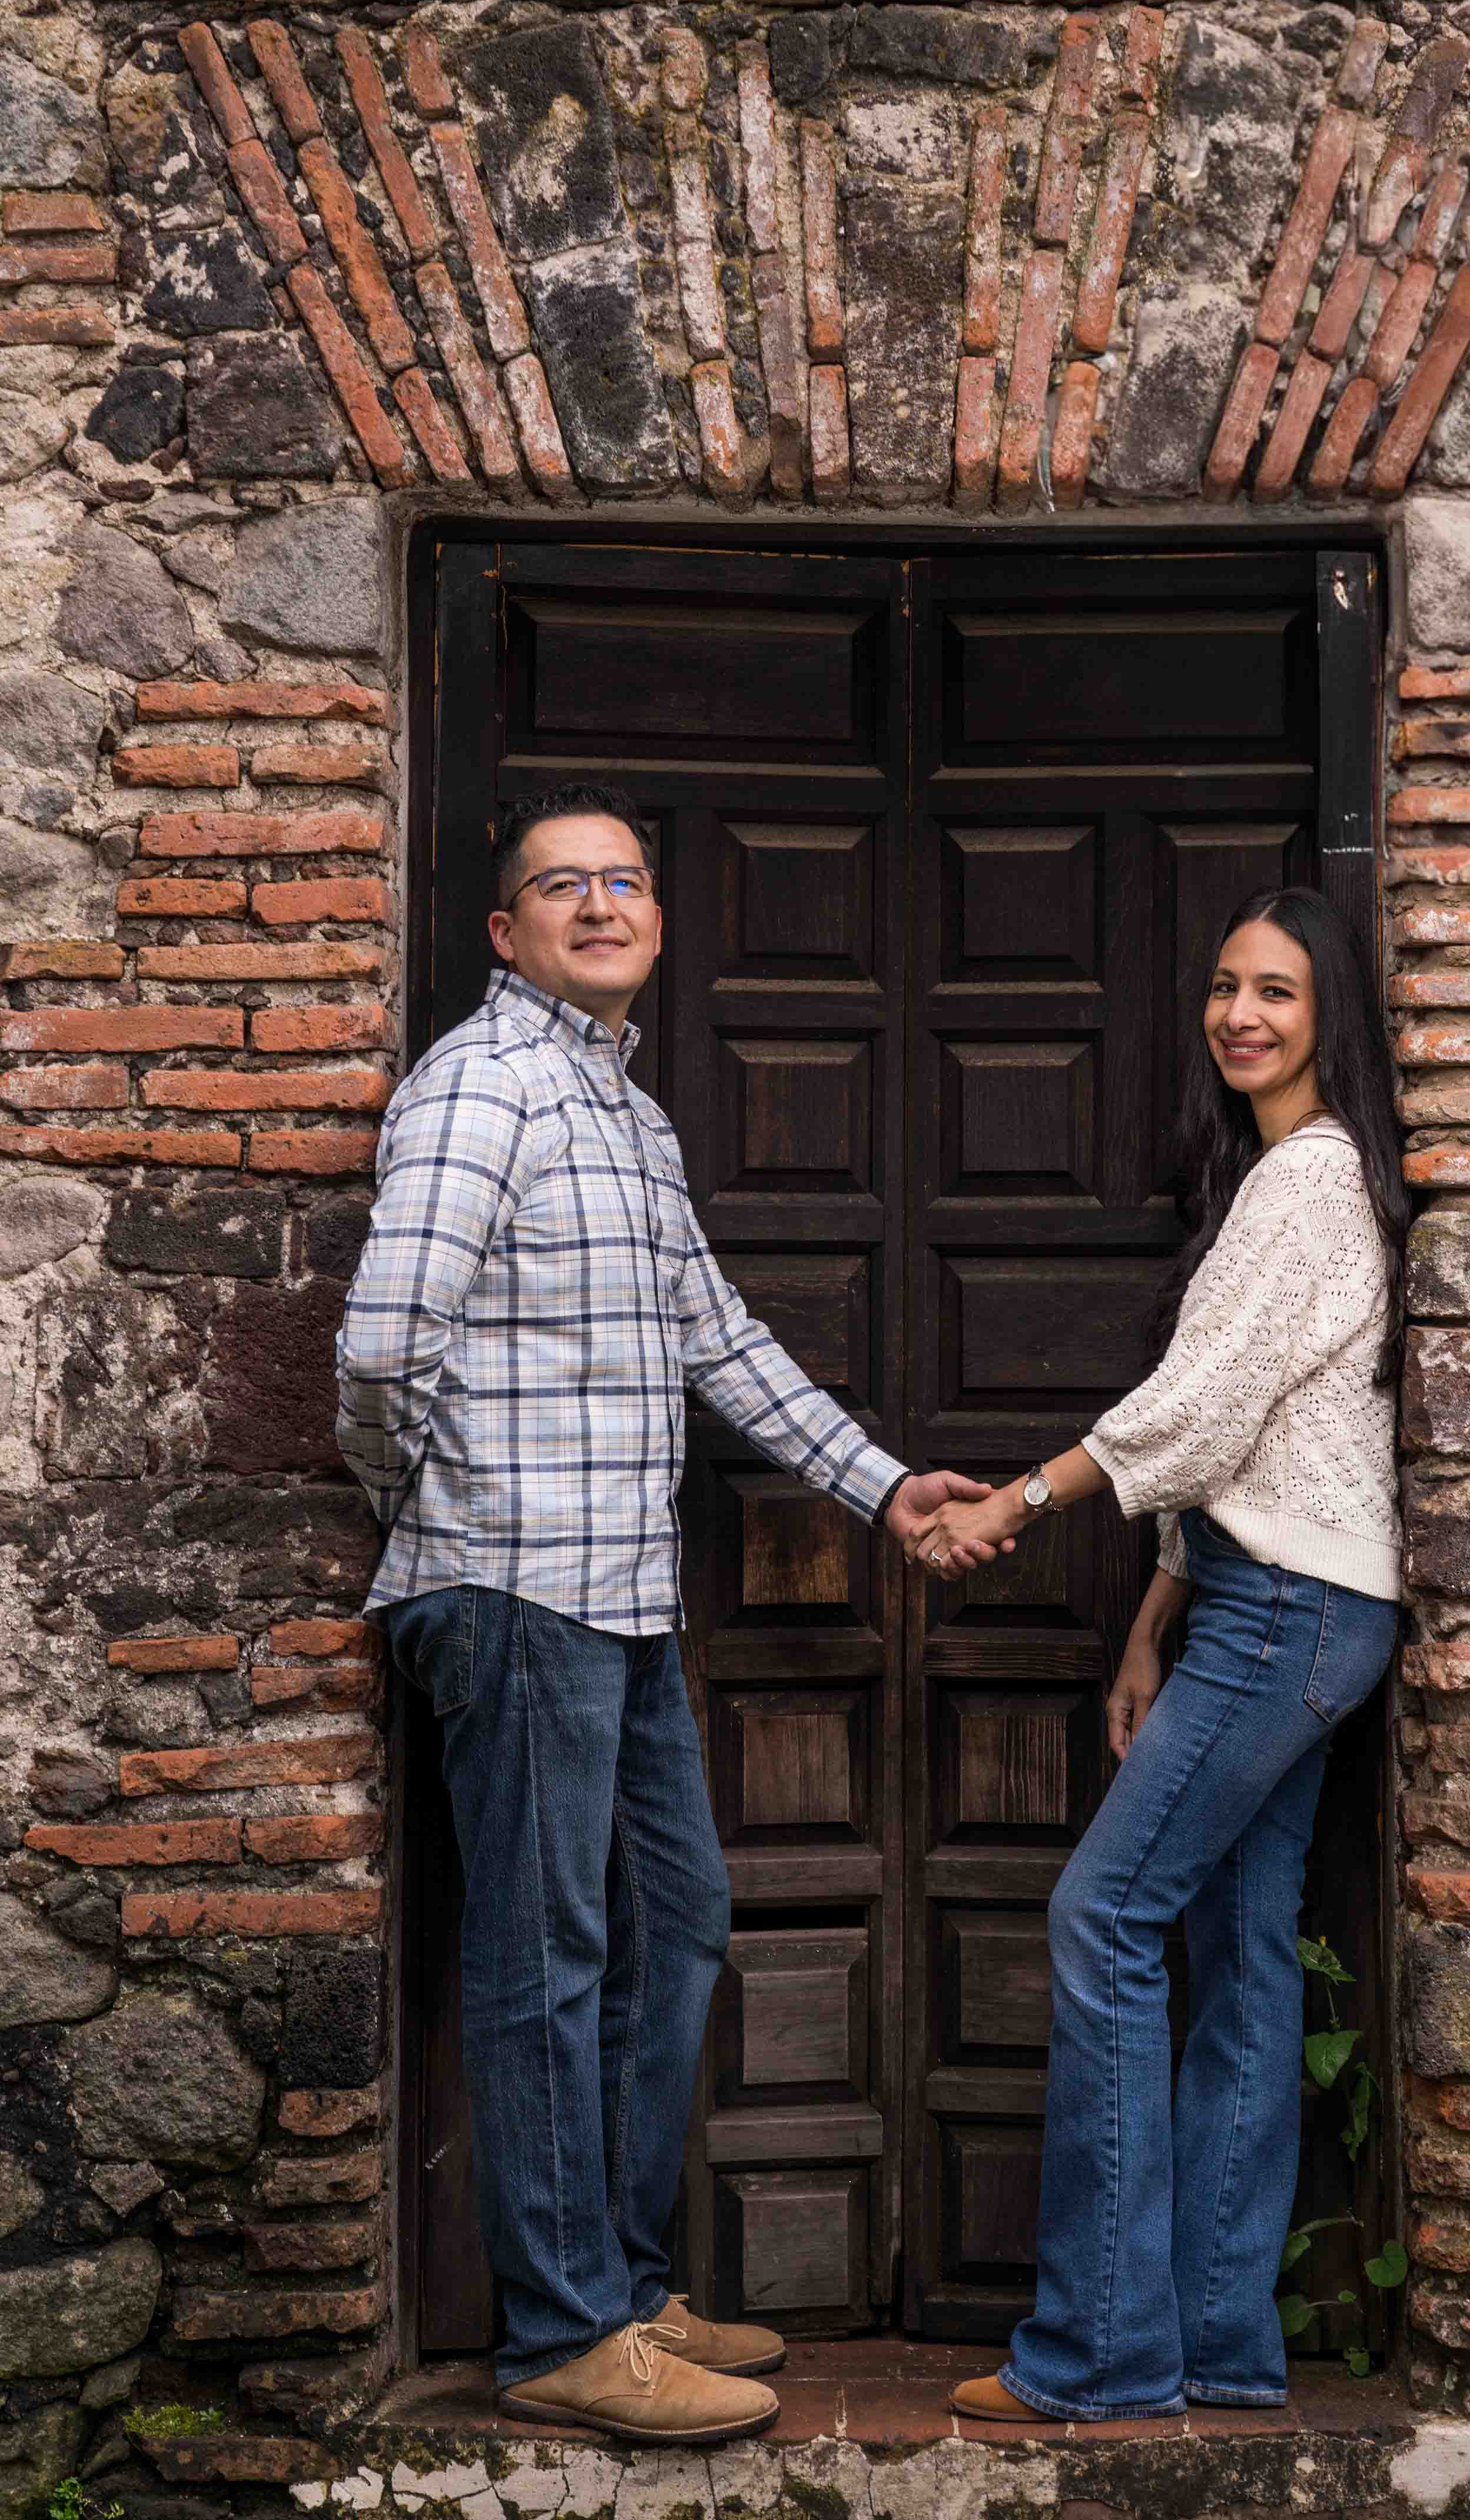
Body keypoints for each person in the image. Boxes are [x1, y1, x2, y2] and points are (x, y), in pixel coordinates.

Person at [335, 782, 985, 2446]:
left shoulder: (627, 1113)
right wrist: (429, 1508)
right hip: (513, 1588)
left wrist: (882, 1487)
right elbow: (383, 1344)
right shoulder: (480, 1085)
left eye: (624, 879)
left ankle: (621, 2290)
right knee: (547, 1956)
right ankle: (562, 2331)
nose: (603, 903)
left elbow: (718, 1337)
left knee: (675, 1920)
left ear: (659, 916)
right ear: (508, 931)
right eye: (564, 885)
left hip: (620, 1600)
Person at [912, 886, 1406, 2422]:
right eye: (1223, 986)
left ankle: (1102, 2351)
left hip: (1285, 1614)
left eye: (1277, 991)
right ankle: (1217, 2343)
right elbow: (1258, 1440)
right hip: (1284, 1603)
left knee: (1104, 1917)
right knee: (1242, 1956)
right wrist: (1148, 1625)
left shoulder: (1307, 1182)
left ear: (1330, 1014)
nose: (1239, 1015)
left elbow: (1194, 1414)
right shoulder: (1293, 1178)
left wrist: (1015, 1502)